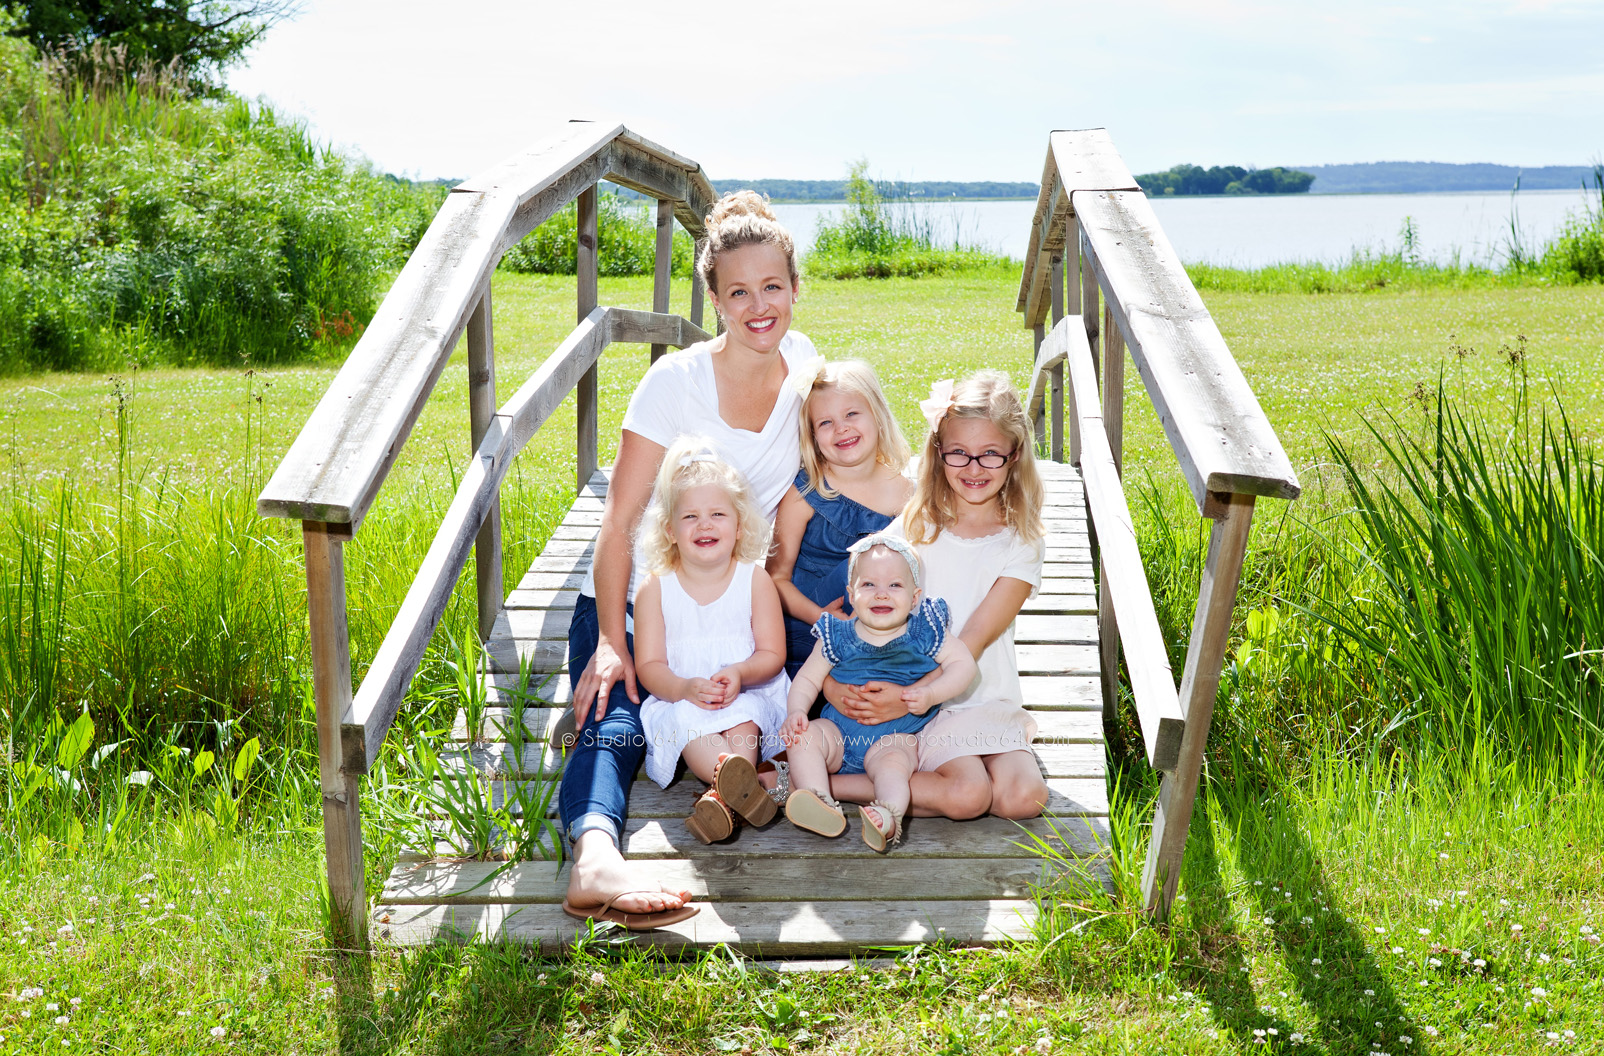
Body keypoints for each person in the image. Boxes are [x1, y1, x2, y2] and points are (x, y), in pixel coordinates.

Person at [559, 191, 813, 930]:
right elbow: (620, 522)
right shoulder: (673, 384)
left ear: (796, 289)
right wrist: (612, 642)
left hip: (741, 598)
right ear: (714, 300)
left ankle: (737, 779)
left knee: (809, 686)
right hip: (648, 593)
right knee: (621, 716)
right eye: (739, 292)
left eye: (773, 287)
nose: (759, 306)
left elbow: (838, 471)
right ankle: (595, 859)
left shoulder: (805, 368)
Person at [826, 372, 1051, 822]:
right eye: (958, 453)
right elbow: (856, 600)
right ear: (938, 452)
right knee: (971, 795)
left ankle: (890, 794)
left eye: (991, 454)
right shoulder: (916, 527)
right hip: (925, 709)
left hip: (978, 693)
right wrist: (862, 685)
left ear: (1015, 455)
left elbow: (973, 639)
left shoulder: (1021, 540)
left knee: (1024, 798)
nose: (973, 468)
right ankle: (824, 787)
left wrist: (912, 694)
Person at [632, 441, 789, 844]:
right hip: (683, 698)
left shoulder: (754, 580)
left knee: (747, 715)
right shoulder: (656, 588)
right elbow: (650, 666)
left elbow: (773, 654)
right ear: (669, 530)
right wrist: (683, 687)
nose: (705, 525)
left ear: (739, 526)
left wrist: (740, 672)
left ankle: (723, 797)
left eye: (718, 514)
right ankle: (739, 784)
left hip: (746, 691)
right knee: (685, 724)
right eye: (690, 516)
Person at [781, 534, 976, 851]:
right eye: (869, 585)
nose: (881, 594)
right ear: (851, 595)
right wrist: (797, 712)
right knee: (804, 736)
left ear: (915, 598)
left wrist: (930, 693)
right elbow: (806, 680)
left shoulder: (925, 631)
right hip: (839, 735)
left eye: (895, 586)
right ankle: (819, 801)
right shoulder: (837, 634)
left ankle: (887, 816)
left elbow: (963, 665)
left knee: (893, 768)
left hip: (895, 737)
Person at [768, 360, 914, 678]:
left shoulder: (908, 495)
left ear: (876, 415)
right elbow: (775, 579)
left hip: (875, 631)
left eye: (851, 414)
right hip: (809, 630)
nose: (841, 428)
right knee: (868, 556)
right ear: (812, 436)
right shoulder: (806, 490)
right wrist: (822, 618)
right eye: (825, 423)